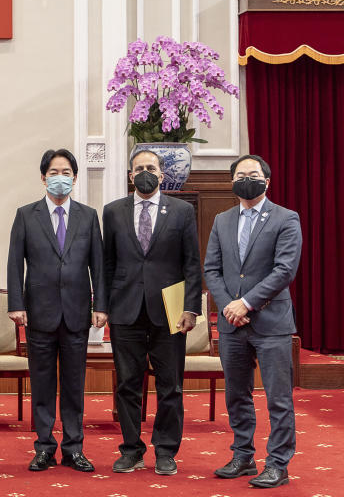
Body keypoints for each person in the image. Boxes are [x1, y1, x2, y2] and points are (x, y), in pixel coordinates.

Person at [100, 147, 201, 476]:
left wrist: (191, 308)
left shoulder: (182, 211)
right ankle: (131, 449)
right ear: (131, 175)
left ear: (161, 174)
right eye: (139, 167)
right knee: (127, 384)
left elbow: (191, 263)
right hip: (125, 309)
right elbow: (107, 264)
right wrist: (102, 306)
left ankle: (166, 451)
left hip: (170, 310)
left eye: (151, 167)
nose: (145, 172)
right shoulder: (113, 211)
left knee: (170, 384)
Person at [204, 154, 302, 489]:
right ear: (232, 182)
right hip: (233, 326)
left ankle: (278, 463)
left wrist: (246, 303)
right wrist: (230, 306)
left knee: (278, 397)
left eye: (254, 174)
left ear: (267, 181)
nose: (248, 178)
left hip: (271, 322)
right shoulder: (222, 219)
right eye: (241, 174)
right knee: (237, 395)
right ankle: (243, 455)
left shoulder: (286, 218)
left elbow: (284, 270)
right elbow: (211, 270)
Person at [6, 149, 103, 473]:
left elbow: (98, 265)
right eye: (53, 171)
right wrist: (16, 304)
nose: (59, 177)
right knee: (43, 384)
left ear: (74, 178)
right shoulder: (26, 215)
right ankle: (44, 447)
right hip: (39, 313)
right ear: (43, 177)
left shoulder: (88, 216)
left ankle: (74, 448)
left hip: (77, 313)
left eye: (65, 172)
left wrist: (100, 305)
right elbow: (14, 262)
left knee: (75, 385)